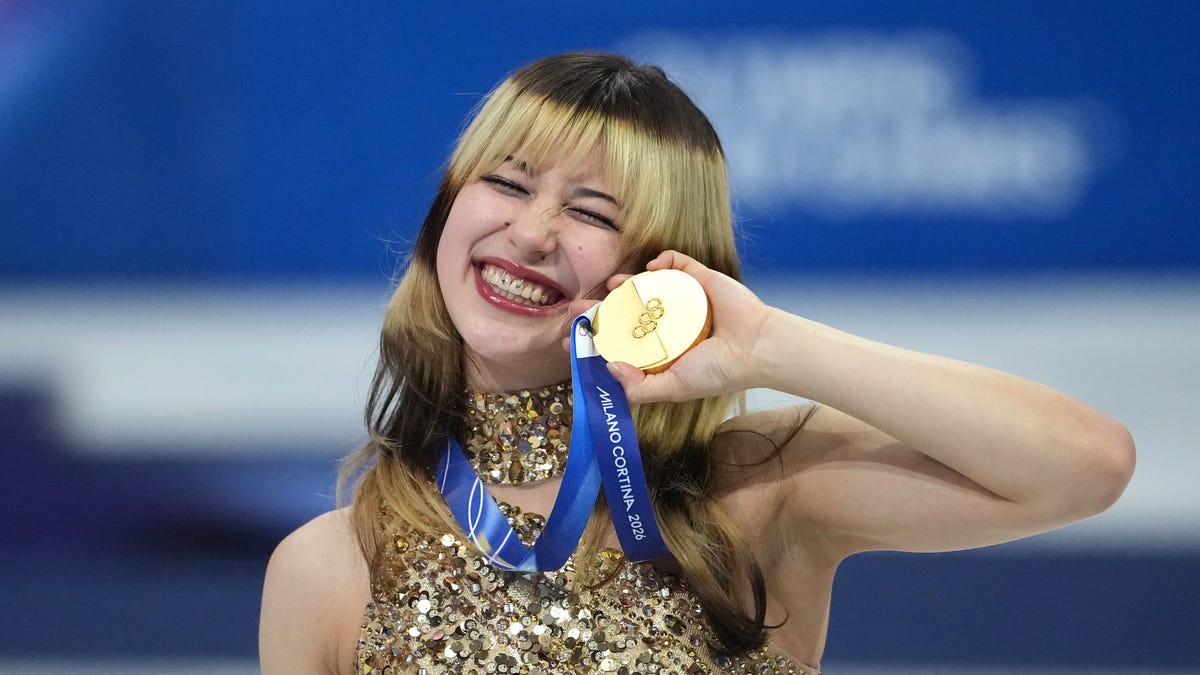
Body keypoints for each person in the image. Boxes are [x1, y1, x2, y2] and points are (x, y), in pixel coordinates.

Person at [259, 51, 1134, 674]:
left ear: (659, 273)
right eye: (509, 183)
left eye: (592, 213)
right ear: (449, 208)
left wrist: (770, 346)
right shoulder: (332, 567)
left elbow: (1085, 465)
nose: (530, 234)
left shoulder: (754, 495)